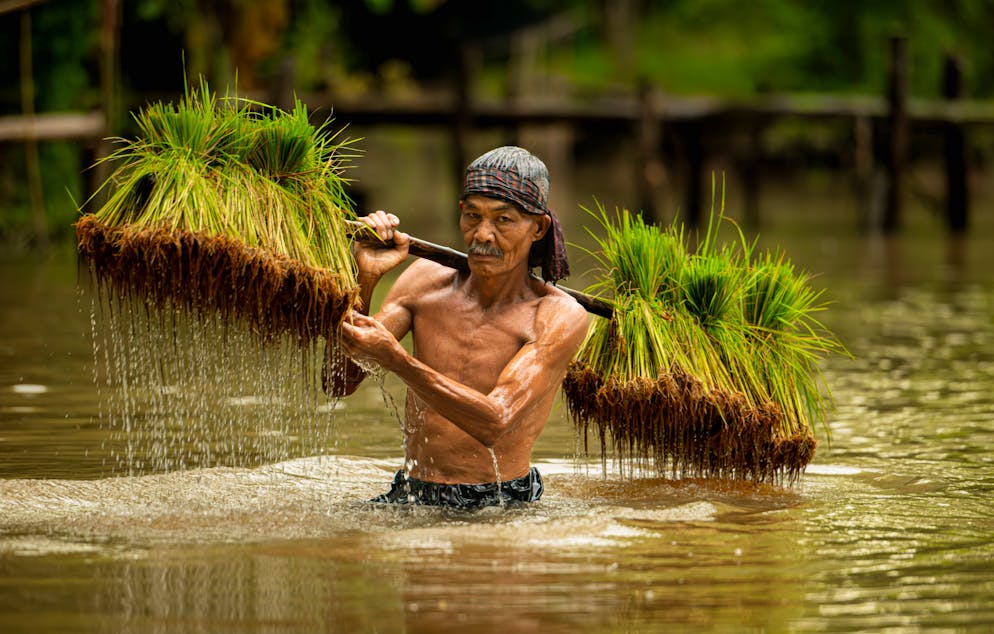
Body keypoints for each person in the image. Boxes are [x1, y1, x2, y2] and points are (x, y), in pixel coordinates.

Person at [327, 146, 589, 509]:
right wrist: (365, 279)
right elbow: (337, 383)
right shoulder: (423, 281)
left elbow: (493, 422)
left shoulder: (556, 315)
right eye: (472, 217)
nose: (482, 235)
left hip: (499, 503)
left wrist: (397, 361)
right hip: (412, 493)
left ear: (538, 228)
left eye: (503, 221)